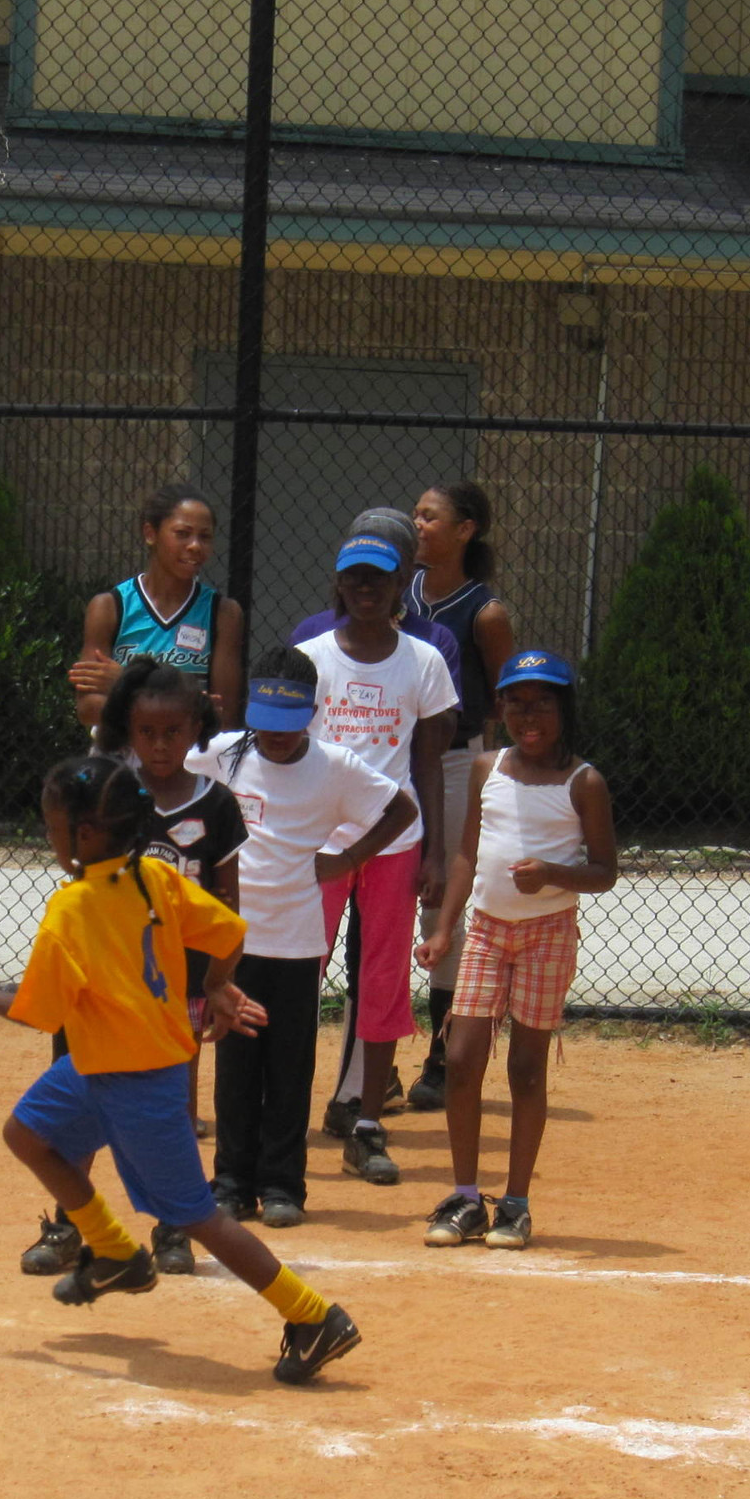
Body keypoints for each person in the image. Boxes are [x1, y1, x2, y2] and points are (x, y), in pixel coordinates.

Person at [0, 756, 362, 1386]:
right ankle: (111, 1252)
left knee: (196, 1216)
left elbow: (38, 1012)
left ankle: (314, 1315)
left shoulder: (71, 908)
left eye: (53, 829)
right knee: (27, 1134)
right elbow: (231, 930)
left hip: (137, 1079)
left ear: (84, 836)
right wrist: (216, 984)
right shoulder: (154, 877)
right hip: (102, 1064)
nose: (49, 839)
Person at [194, 650, 413, 1227]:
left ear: (313, 715)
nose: (277, 738)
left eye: (291, 728)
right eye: (266, 722)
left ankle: (283, 1186)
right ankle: (231, 1183)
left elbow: (401, 809)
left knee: (288, 1068)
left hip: (295, 944)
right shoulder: (226, 753)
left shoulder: (336, 766)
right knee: (235, 1066)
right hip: (233, 945)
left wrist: (348, 859)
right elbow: (163, 772)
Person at [416, 652, 613, 1248]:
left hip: (547, 932)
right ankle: (467, 1196)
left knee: (527, 1068)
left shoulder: (584, 782)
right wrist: (445, 931)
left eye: (543, 703)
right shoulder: (486, 769)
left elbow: (603, 871)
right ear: (499, 709)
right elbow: (465, 856)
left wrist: (554, 872)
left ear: (564, 710)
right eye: (516, 703)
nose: (529, 715)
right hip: (486, 928)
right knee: (462, 1057)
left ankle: (517, 1203)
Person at [298, 517, 459, 1187]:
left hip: (396, 839)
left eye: (381, 578)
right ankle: (281, 1110)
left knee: (385, 978)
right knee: (293, 969)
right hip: (319, 838)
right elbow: (290, 755)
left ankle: (366, 1122)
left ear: (400, 587)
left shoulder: (422, 661)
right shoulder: (311, 656)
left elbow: (429, 763)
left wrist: (438, 853)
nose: (367, 588)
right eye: (356, 577)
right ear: (339, 583)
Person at [96, 655, 246, 1271]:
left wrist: (220, 982)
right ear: (129, 733)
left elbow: (228, 902)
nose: (160, 746)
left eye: (173, 733)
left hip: (183, 978)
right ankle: (71, 1221)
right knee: (96, 1097)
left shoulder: (216, 805)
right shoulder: (113, 798)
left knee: (178, 1101)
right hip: (120, 979)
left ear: (196, 732)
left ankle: (174, 1226)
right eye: (146, 733)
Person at [405, 483, 519, 1112]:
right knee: (385, 901)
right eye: (416, 514)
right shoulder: (403, 594)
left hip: (453, 758)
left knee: (441, 901)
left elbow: (505, 700)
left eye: (430, 516)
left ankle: (443, 1054)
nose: (418, 524)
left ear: (466, 529)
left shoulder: (484, 611)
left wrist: (488, 780)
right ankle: (375, 1055)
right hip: (396, 754)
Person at [66, 484, 246, 730]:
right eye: (182, 533)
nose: (195, 545)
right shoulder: (109, 607)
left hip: (189, 760)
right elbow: (88, 709)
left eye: (205, 536)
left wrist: (127, 683)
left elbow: (223, 718)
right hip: (121, 760)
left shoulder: (224, 613)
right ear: (151, 533)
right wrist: (187, 705)